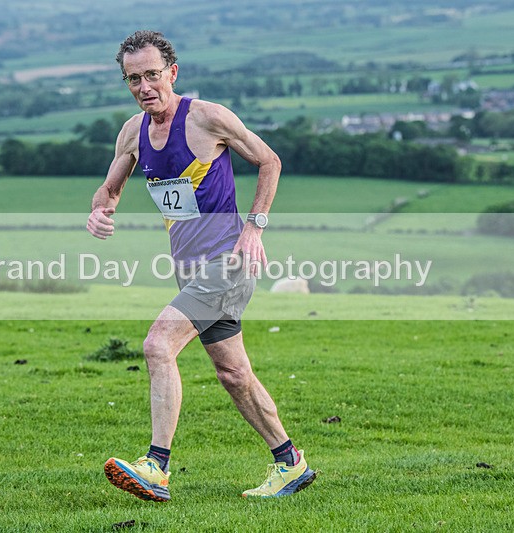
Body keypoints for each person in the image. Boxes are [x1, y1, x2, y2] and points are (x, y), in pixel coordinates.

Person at [86, 30, 316, 501]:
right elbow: (110, 189)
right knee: (233, 373)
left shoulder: (208, 118)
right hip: (189, 269)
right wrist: (100, 210)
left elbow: (269, 161)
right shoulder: (132, 132)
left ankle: (156, 466)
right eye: (134, 79)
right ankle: (290, 463)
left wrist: (255, 228)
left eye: (153, 74)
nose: (144, 86)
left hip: (228, 261)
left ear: (173, 72)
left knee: (157, 344)